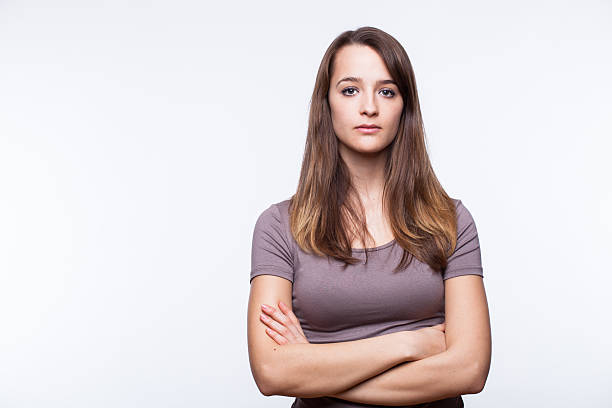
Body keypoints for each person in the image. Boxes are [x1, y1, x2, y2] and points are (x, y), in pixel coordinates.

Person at [247, 26, 491, 408]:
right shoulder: (279, 226)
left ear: (404, 106)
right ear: (325, 103)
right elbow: (272, 372)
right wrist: (411, 343)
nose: (369, 107)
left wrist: (314, 371)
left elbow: (470, 369)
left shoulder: (451, 220)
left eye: (386, 91)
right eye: (350, 90)